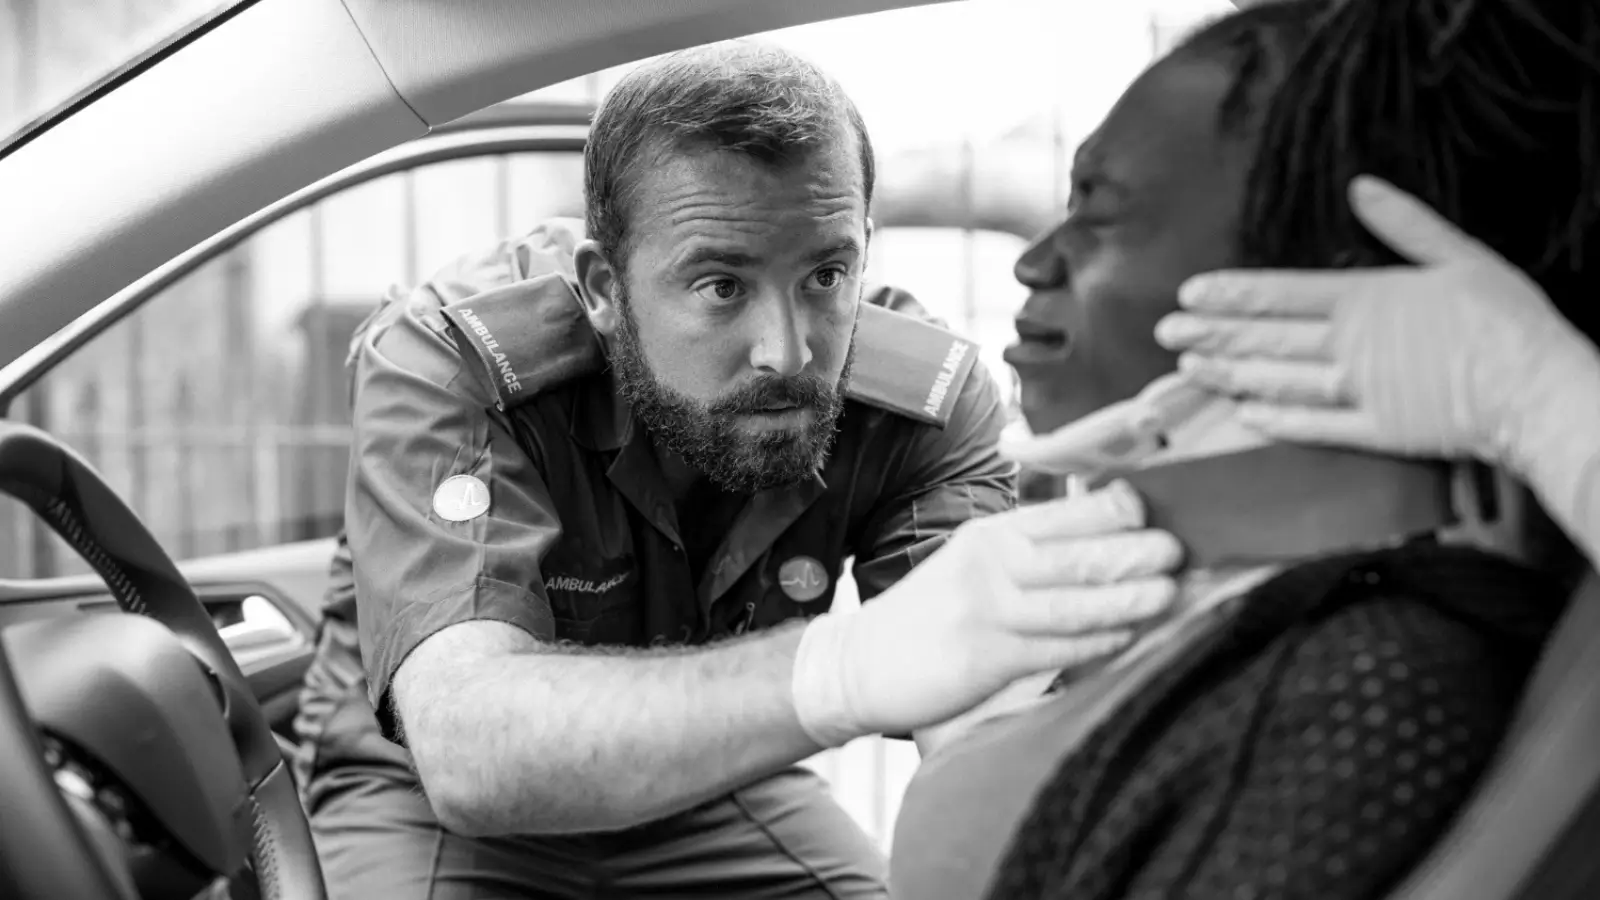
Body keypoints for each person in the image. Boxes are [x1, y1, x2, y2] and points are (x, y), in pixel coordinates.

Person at [292, 42, 1183, 899]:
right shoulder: (454, 357)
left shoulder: (923, 405)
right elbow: (468, 752)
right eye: (722, 285)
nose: (787, 352)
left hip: (713, 791)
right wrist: (849, 666)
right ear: (604, 288)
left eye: (827, 275)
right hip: (423, 807)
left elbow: (986, 728)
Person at [889, 0, 1598, 898]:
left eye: (1100, 211)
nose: (1034, 263)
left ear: (1330, 276)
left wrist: (1539, 397)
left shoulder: (1361, 684)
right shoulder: (1234, 628)